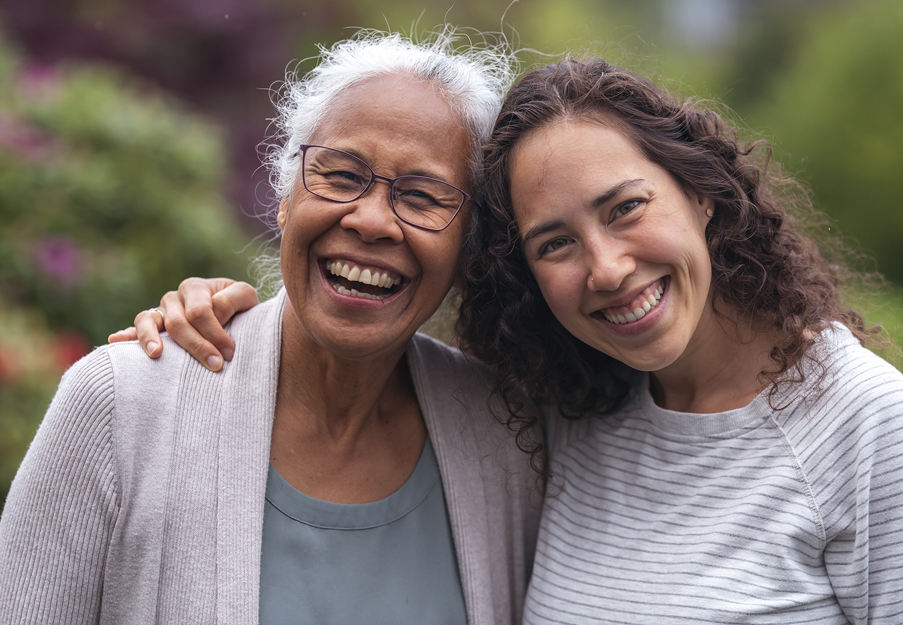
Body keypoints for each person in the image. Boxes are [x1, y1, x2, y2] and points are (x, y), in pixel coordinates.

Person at [118, 58, 903, 623]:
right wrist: (221, 308)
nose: (606, 269)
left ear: (704, 195)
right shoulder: (565, 412)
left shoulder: (860, 424)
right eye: (555, 243)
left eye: (626, 208)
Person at [0, 31, 540, 625]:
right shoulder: (120, 406)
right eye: (340, 175)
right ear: (285, 197)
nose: (371, 220)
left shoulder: (508, 438)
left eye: (422, 196)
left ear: (469, 248)